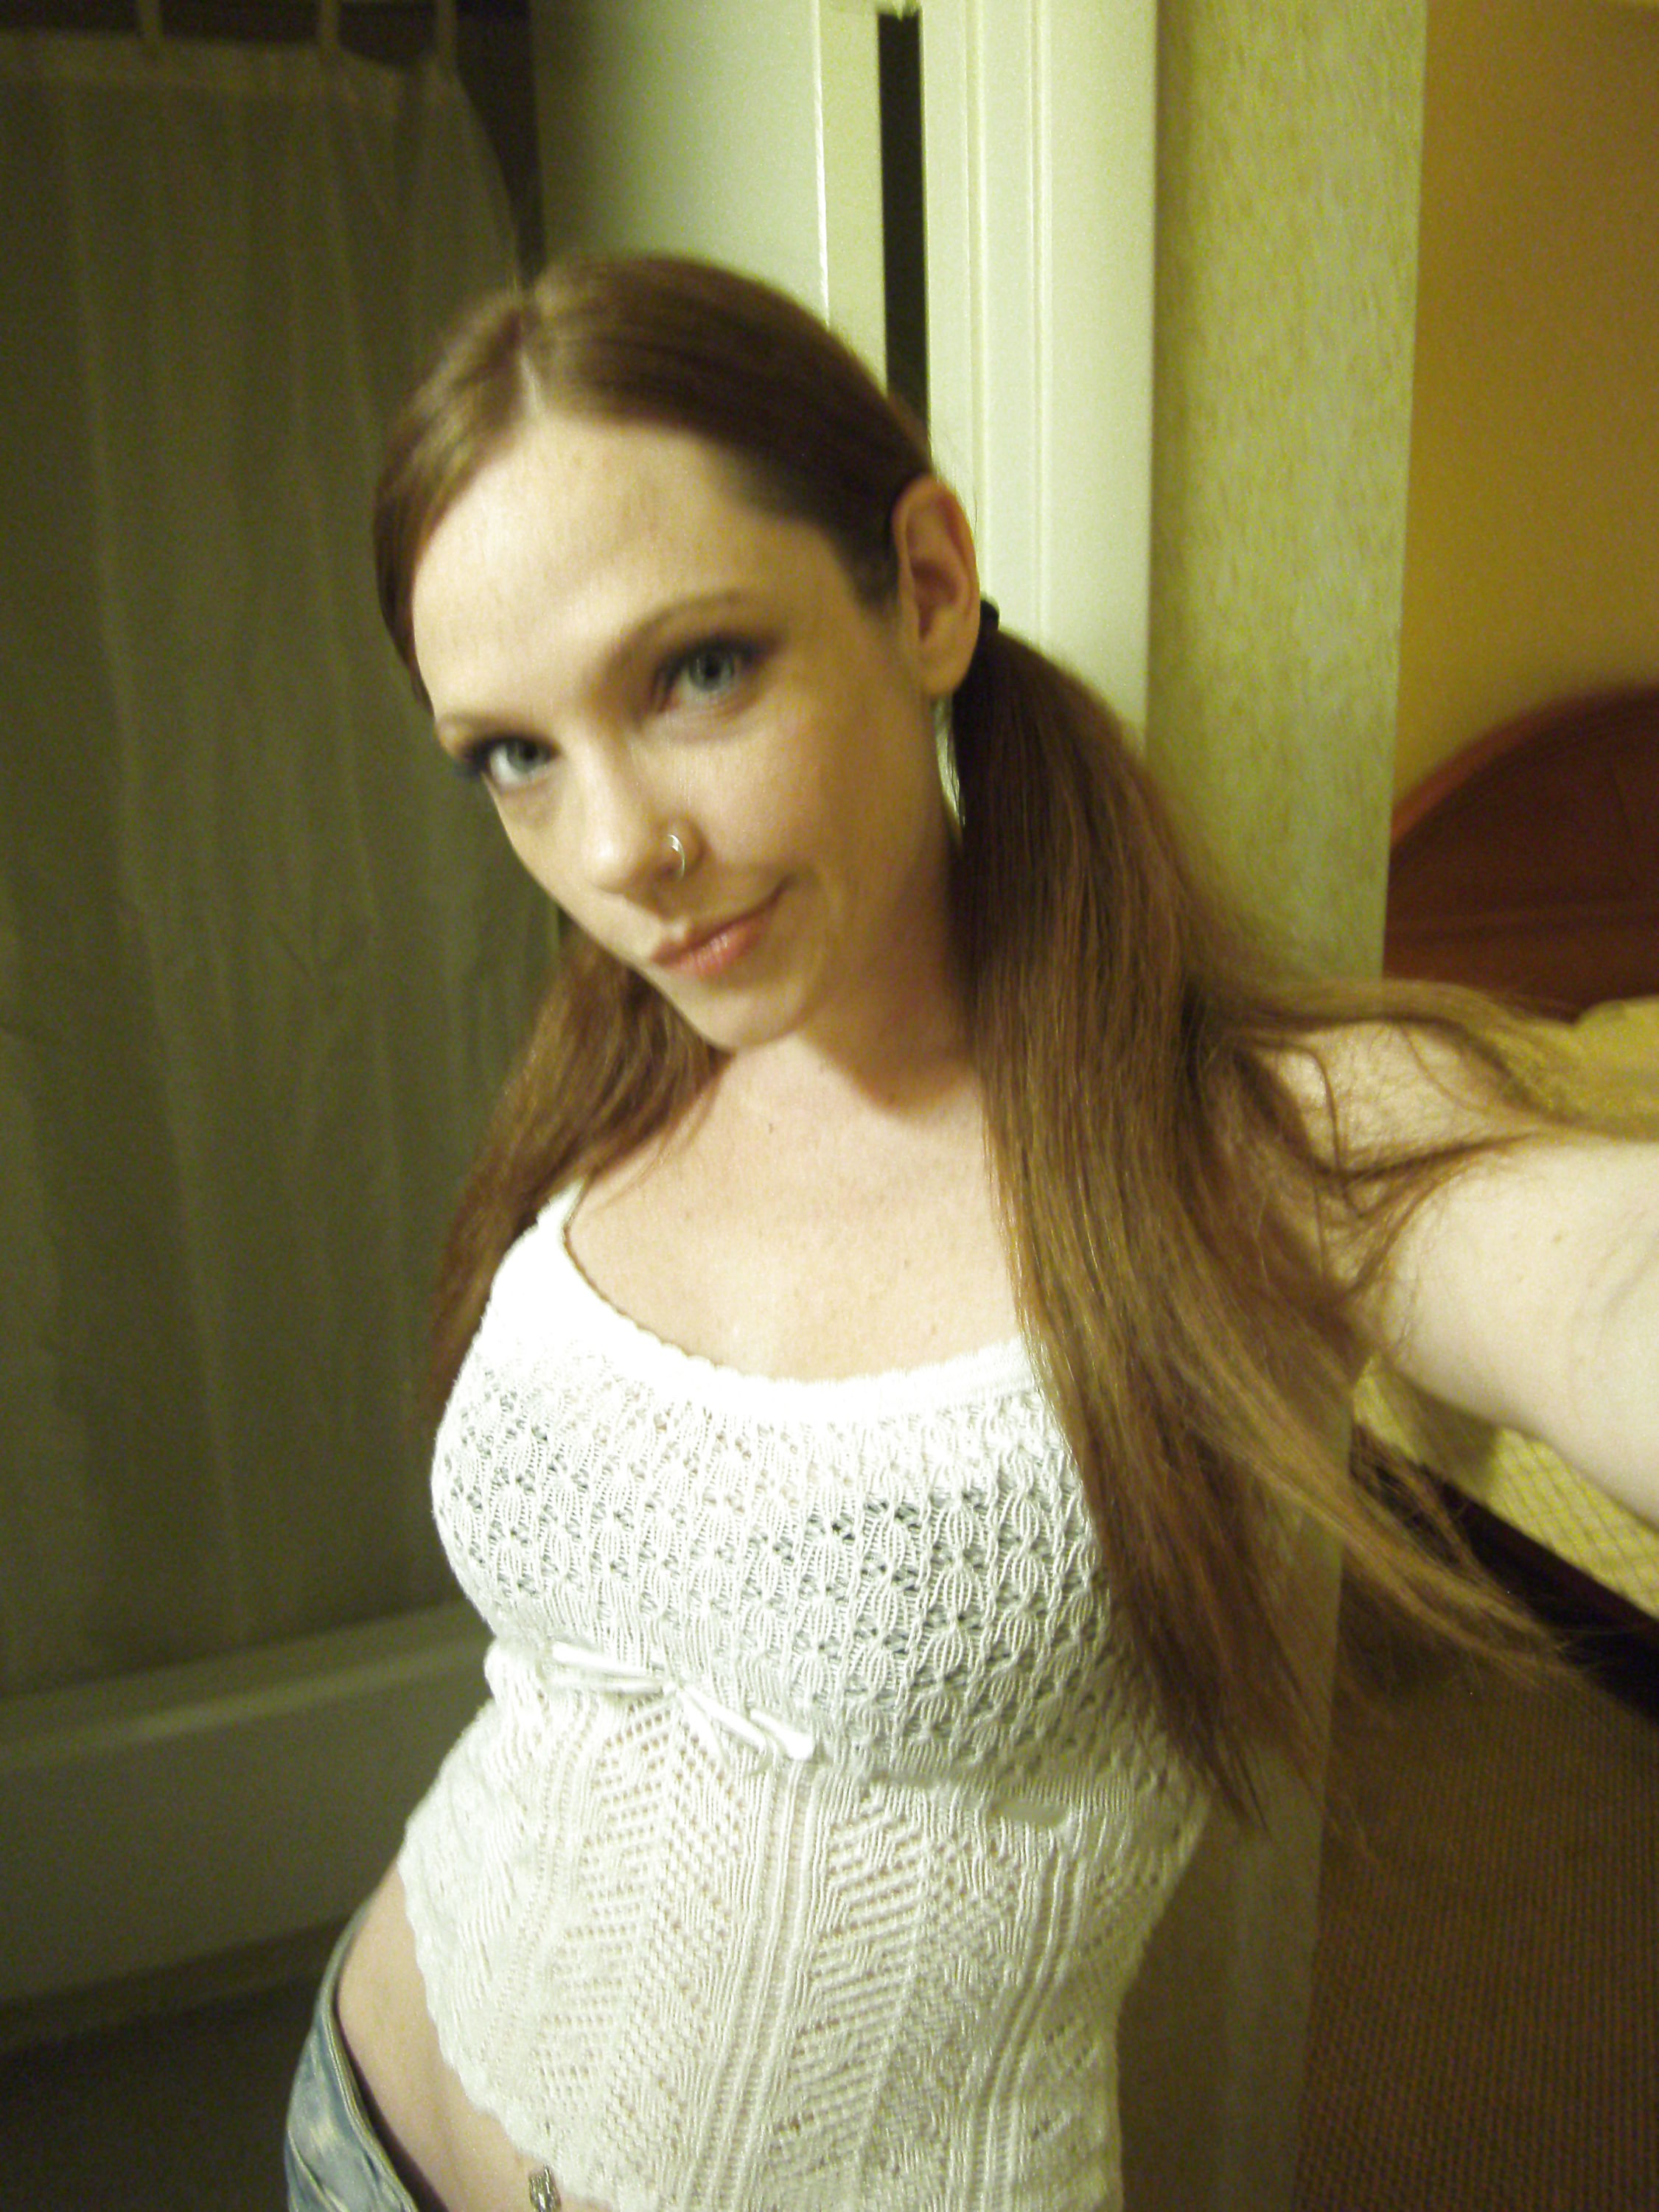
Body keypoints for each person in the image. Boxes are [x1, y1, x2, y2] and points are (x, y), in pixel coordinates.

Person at [284, 255, 1658, 2212]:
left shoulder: (1232, 1144)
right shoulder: (615, 1087)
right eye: (512, 753)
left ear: (924, 588)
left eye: (695, 672)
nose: (612, 852)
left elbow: (1602, 1282)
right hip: (358, 2120)